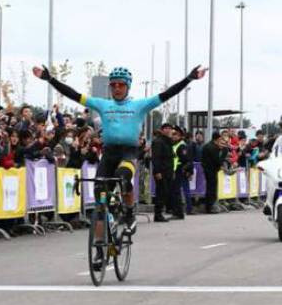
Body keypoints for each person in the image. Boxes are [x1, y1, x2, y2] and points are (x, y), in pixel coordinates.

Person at [35, 64, 205, 265]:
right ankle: (100, 247)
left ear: (128, 87)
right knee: (100, 200)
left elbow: (167, 94)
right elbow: (74, 95)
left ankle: (129, 212)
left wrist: (189, 78)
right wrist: (50, 79)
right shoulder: (103, 104)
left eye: (121, 85)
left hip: (129, 152)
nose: (116, 88)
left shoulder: (139, 105)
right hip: (109, 154)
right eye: (113, 85)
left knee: (124, 176)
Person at [150, 123, 177, 222]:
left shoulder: (169, 142)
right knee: (160, 193)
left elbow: (171, 158)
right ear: (162, 130)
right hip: (161, 171)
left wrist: (172, 171)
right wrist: (157, 171)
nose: (169, 130)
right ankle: (158, 214)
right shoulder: (158, 142)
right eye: (166, 128)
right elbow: (156, 158)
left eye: (170, 128)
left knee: (165, 193)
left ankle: (160, 212)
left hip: (168, 170)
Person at [200, 132, 228, 214]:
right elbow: (217, 160)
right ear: (217, 139)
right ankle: (210, 207)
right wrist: (224, 153)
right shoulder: (212, 147)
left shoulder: (207, 146)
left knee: (209, 188)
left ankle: (209, 207)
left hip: (207, 169)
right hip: (211, 170)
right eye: (220, 139)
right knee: (211, 189)